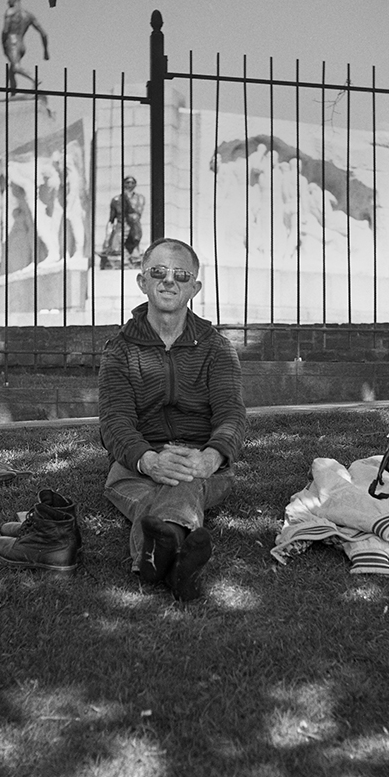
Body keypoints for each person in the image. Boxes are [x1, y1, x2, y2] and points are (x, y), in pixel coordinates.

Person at [100, 238, 246, 599]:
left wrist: (210, 458)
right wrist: (149, 460)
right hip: (136, 464)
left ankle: (153, 558)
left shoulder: (218, 348)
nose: (169, 281)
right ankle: (178, 561)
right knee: (171, 489)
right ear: (142, 282)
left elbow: (231, 414)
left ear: (194, 287)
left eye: (181, 275)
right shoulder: (119, 350)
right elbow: (115, 421)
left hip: (201, 463)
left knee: (183, 481)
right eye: (158, 272)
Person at [1, 0, 49, 95]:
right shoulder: (28, 15)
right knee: (11, 71)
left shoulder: (10, 12)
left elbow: (5, 30)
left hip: (12, 42)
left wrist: (3, 44)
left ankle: (34, 79)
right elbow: (43, 34)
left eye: (9, 0)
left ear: (14, 1)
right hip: (21, 45)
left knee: (16, 67)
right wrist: (45, 51)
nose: (7, 3)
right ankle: (13, 91)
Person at [100, 176, 145, 266]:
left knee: (134, 251)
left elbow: (136, 213)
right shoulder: (116, 200)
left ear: (135, 185)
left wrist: (127, 198)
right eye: (127, 182)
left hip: (133, 228)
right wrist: (107, 237)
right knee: (116, 249)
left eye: (132, 183)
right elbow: (111, 220)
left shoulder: (139, 198)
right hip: (120, 227)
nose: (129, 185)